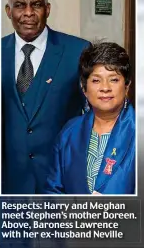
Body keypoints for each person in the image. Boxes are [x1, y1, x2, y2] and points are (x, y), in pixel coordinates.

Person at [1, 0, 90, 194]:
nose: (28, 13)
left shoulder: (77, 51)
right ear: (8, 11)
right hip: (8, 185)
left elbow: (95, 116)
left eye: (36, 5)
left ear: (47, 9)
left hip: (60, 183)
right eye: (20, 5)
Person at [44, 42, 135, 194]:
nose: (105, 88)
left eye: (113, 79)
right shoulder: (69, 133)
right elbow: (53, 192)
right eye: (96, 80)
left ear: (126, 86)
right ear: (84, 88)